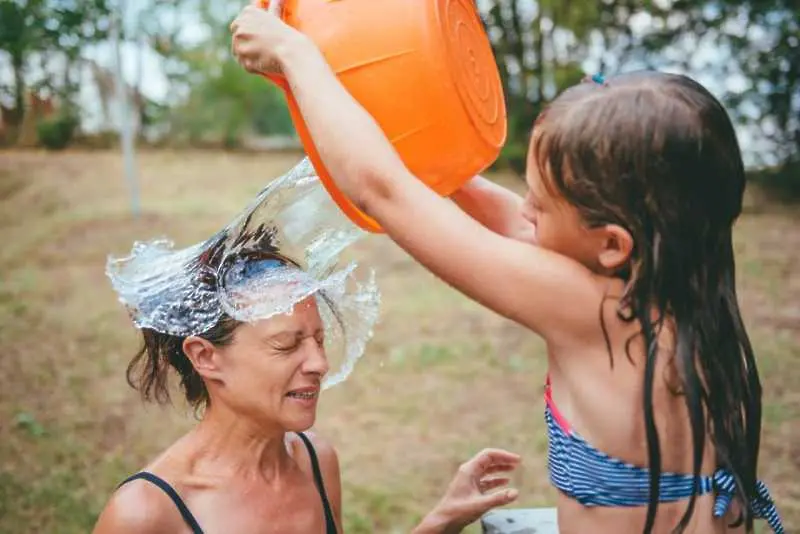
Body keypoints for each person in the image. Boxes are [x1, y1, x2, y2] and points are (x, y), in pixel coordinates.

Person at [229, 3, 786, 534]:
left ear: (612, 243)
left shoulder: (598, 316)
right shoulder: (684, 298)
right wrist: (367, 106)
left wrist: (296, 55)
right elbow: (481, 209)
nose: (523, 212)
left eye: (540, 204)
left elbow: (385, 193)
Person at [93, 245, 522, 534]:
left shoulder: (316, 460)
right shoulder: (146, 514)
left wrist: (441, 521)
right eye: (286, 344)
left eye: (318, 339)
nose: (319, 364)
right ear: (206, 357)